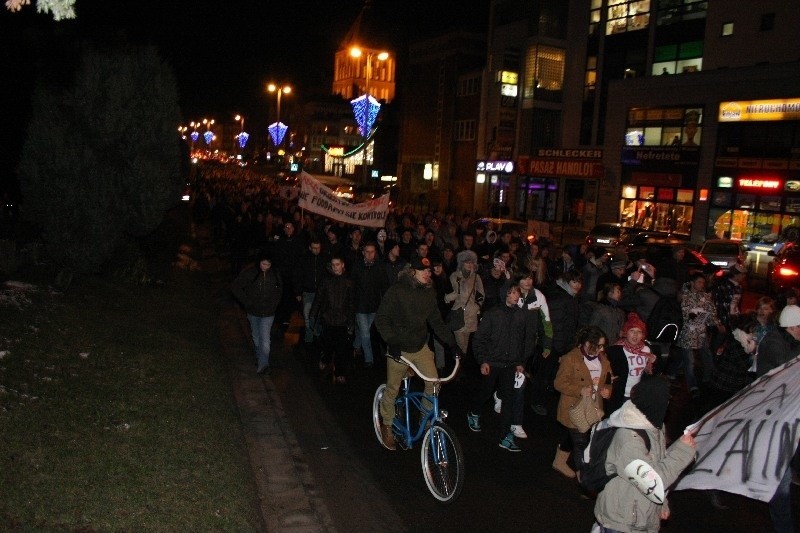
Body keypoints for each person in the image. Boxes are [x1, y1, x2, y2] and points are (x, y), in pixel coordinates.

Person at [374, 256, 460, 450]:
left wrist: (451, 343)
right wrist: (392, 341)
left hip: (420, 347)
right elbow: (381, 318)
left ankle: (426, 415)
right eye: (424, 271)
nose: (428, 274)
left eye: (430, 270)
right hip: (399, 349)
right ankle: (387, 423)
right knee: (393, 388)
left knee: (434, 384)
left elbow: (436, 321)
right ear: (413, 271)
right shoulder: (397, 291)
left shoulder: (429, 293)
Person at [593, 376, 697, 533]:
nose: (667, 405)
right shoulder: (629, 440)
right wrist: (683, 451)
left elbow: (656, 466)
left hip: (640, 513)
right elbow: (652, 483)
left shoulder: (655, 427)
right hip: (622, 522)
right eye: (665, 400)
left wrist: (661, 503)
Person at [468, 284, 535, 452]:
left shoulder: (521, 315)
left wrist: (520, 362)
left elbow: (522, 341)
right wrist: (483, 360)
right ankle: (474, 413)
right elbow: (479, 339)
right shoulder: (493, 314)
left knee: (509, 399)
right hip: (492, 361)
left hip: (510, 364)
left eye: (517, 292)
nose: (516, 295)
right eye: (512, 292)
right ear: (505, 294)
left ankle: (505, 436)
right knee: (486, 391)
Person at [553, 326, 612, 479]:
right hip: (574, 408)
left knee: (572, 436)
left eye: (602, 345)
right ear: (587, 344)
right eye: (598, 345)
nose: (601, 348)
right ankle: (584, 478)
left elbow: (608, 380)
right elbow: (559, 383)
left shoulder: (603, 360)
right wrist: (579, 390)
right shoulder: (571, 359)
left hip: (593, 408)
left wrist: (607, 390)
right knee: (581, 442)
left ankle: (559, 461)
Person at [534, 270, 583, 417]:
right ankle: (537, 401)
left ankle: (543, 399)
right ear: (567, 282)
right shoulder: (560, 298)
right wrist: (557, 347)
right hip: (552, 345)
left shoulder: (569, 297)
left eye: (579, 282)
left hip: (561, 344)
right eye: (574, 282)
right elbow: (553, 325)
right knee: (544, 374)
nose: (577, 285)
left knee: (551, 374)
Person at [230, 252, 282, 374]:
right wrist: (247, 302)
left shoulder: (274, 274)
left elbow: (279, 290)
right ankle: (261, 359)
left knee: (265, 338)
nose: (265, 266)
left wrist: (274, 304)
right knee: (256, 337)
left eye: (268, 264)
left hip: (268, 313)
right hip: (253, 312)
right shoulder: (250, 273)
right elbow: (235, 286)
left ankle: (264, 363)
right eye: (263, 264)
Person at [309, 256, 355, 383]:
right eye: (334, 265)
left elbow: (351, 303)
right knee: (328, 345)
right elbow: (318, 298)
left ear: (342, 265)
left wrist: (351, 321)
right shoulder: (326, 280)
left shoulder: (348, 281)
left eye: (338, 264)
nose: (336, 267)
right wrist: (313, 315)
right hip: (328, 318)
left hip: (342, 320)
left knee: (341, 349)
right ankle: (325, 359)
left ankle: (340, 372)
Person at [605, 312, 656, 415]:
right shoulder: (616, 349)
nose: (635, 335)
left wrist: (654, 363)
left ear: (643, 335)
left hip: (636, 395)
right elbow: (606, 369)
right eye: (632, 331)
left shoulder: (647, 350)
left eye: (639, 331)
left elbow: (649, 374)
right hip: (619, 394)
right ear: (626, 333)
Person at [351, 242, 389, 368]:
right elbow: (352, 286)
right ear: (363, 252)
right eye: (367, 251)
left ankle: (356, 346)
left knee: (365, 331)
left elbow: (384, 286)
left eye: (372, 251)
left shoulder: (379, 267)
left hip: (374, 306)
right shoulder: (357, 266)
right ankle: (369, 359)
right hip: (360, 306)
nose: (369, 254)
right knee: (366, 334)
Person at [444, 250, 484, 355]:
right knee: (460, 345)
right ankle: (458, 366)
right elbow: (451, 293)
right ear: (461, 263)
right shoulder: (454, 276)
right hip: (458, 314)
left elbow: (481, 295)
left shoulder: (476, 277)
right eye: (467, 262)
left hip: (471, 315)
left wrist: (477, 307)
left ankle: (460, 366)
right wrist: (449, 296)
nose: (470, 265)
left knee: (465, 345)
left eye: (471, 262)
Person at [294, 238, 325, 344]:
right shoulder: (304, 259)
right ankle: (309, 338)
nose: (316, 250)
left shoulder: (324, 259)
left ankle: (317, 334)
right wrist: (298, 292)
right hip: (308, 292)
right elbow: (298, 276)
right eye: (314, 248)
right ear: (310, 248)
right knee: (308, 315)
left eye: (318, 248)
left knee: (319, 315)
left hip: (321, 293)